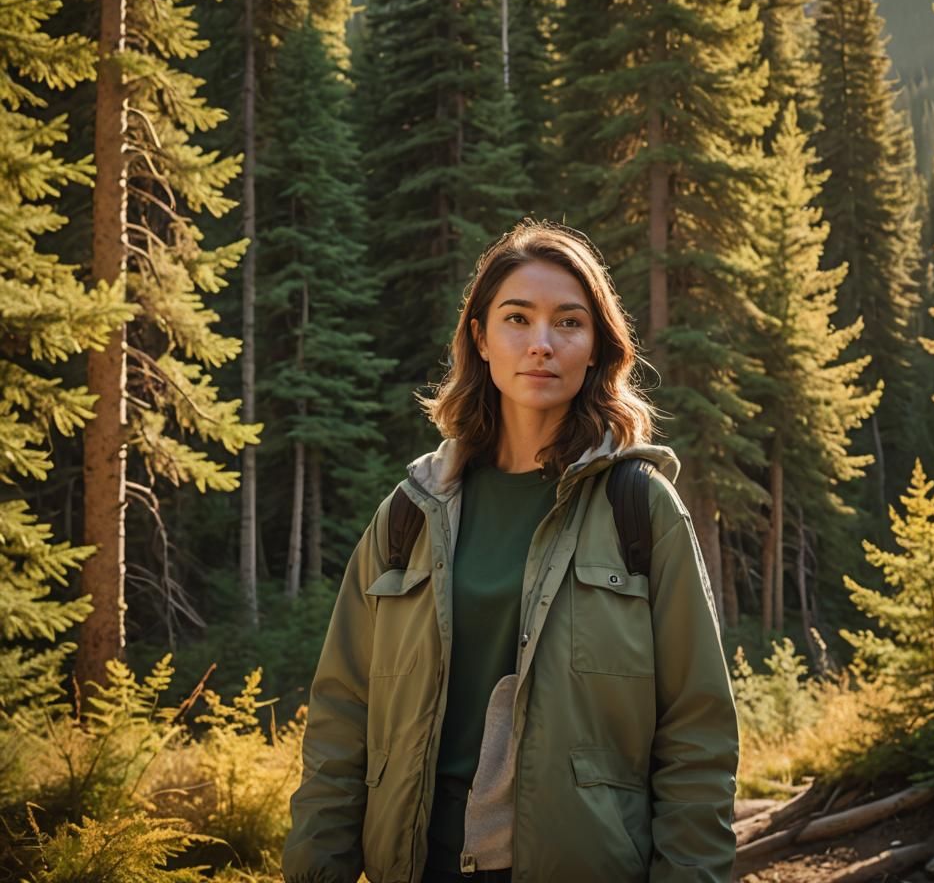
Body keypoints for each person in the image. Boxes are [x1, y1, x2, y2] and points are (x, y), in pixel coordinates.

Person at [281, 220, 738, 883]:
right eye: (518, 319)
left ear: (596, 350)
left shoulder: (639, 508)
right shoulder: (411, 511)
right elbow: (340, 720)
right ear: (481, 338)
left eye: (569, 323)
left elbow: (698, 735)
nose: (542, 345)